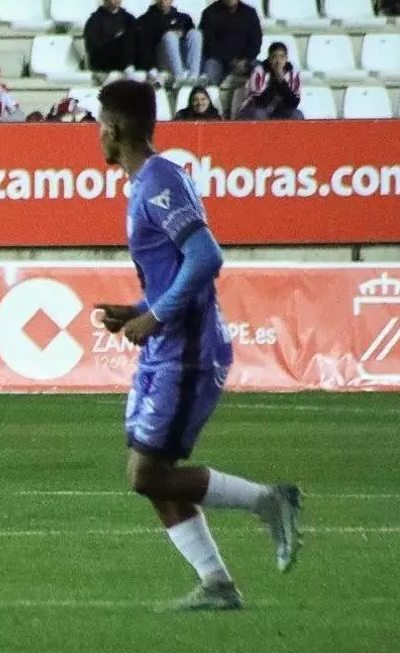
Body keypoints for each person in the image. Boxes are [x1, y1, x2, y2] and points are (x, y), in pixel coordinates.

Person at [92, 80, 302, 611]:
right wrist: (139, 311)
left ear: (114, 128)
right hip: (166, 347)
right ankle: (217, 585)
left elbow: (206, 257)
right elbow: (176, 272)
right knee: (151, 474)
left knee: (146, 474)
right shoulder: (145, 183)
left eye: (100, 123)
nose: (97, 133)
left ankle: (267, 502)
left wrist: (157, 314)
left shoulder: (160, 180)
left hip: (188, 350)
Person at [139, 0, 204, 86]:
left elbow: (192, 40)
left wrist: (182, 34)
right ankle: (179, 78)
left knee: (195, 33)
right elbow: (145, 46)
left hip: (183, 57)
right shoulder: (146, 20)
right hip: (162, 60)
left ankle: (193, 76)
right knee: (170, 37)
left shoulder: (183, 18)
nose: (163, 1)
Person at [235, 42, 303, 120]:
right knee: (259, 114)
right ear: (269, 59)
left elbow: (294, 102)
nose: (278, 61)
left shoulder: (294, 73)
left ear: (286, 59)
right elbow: (257, 101)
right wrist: (276, 78)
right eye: (274, 57)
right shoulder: (259, 71)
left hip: (282, 110)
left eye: (282, 57)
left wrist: (281, 81)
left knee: (297, 115)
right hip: (258, 108)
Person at [200, 0, 261, 85]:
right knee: (210, 68)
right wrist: (231, 61)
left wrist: (245, 60)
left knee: (260, 70)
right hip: (219, 60)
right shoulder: (210, 13)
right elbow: (208, 45)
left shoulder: (250, 13)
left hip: (246, 60)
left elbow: (256, 41)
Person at [84, 0, 141, 79]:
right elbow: (93, 45)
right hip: (105, 61)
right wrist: (115, 38)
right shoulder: (95, 20)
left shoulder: (129, 18)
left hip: (129, 60)